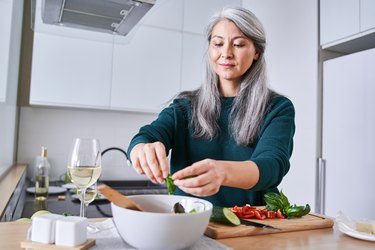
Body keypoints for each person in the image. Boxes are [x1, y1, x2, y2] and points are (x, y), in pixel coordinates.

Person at [127, 6, 295, 207]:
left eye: (239, 44)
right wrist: (142, 149)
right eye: (218, 43)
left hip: (252, 226)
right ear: (209, 48)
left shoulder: (277, 108)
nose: (226, 53)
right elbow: (146, 136)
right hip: (189, 225)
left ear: (256, 52)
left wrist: (223, 172)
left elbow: (272, 165)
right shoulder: (185, 107)